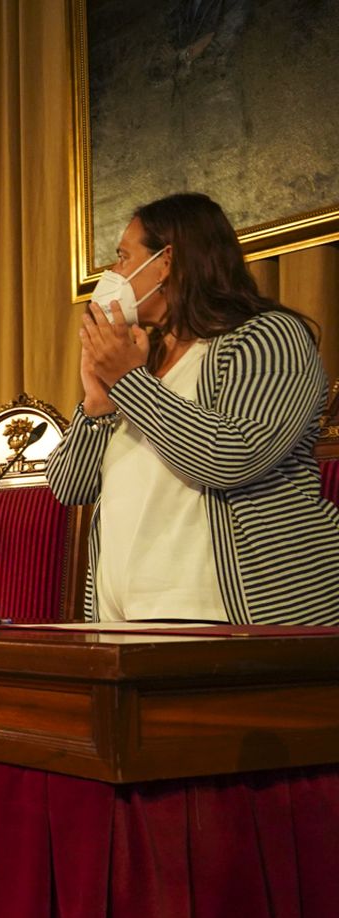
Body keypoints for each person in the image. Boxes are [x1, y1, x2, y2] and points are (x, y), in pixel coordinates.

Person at [47, 192, 339, 624]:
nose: (114, 273)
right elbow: (70, 487)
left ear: (167, 262)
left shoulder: (269, 337)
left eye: (124, 257)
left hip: (236, 620)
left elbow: (232, 457)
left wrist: (129, 381)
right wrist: (97, 403)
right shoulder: (145, 360)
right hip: (123, 625)